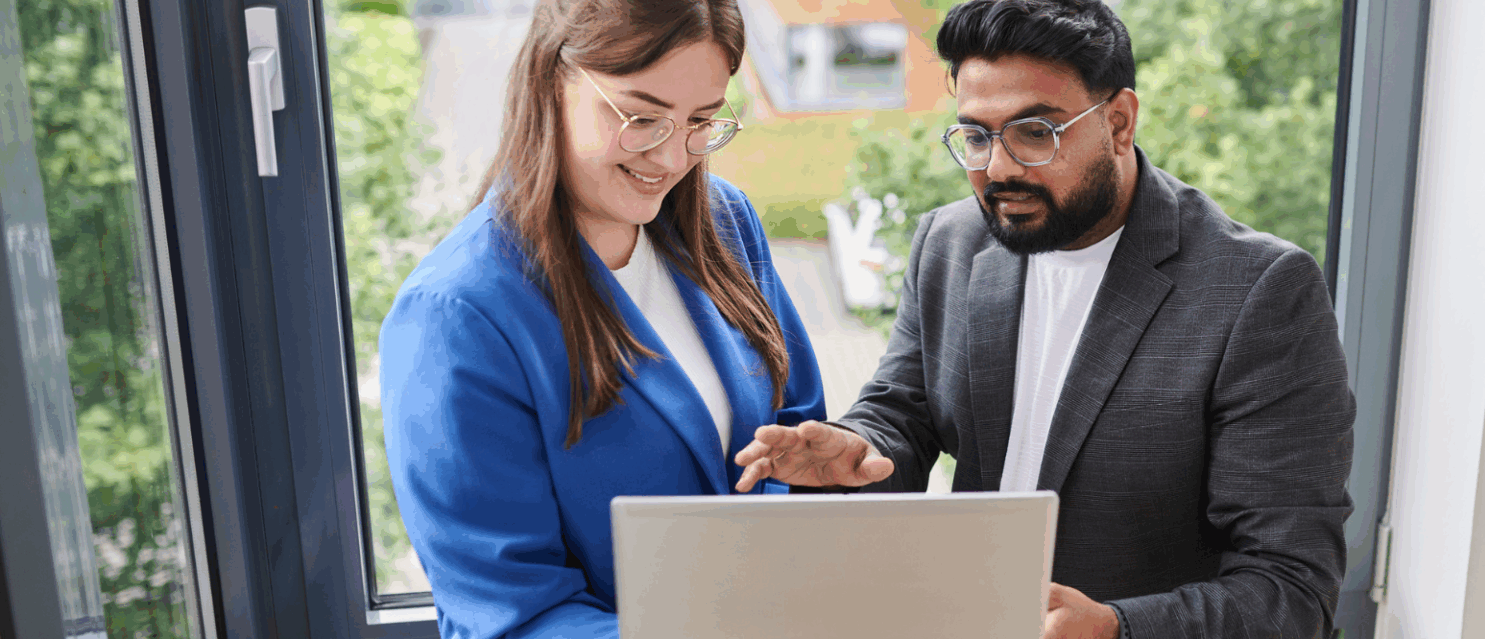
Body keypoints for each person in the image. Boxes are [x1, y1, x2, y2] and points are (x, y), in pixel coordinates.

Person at [733, 0, 1357, 637]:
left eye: (1036, 132)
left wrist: (1116, 629)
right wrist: (856, 449)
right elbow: (904, 413)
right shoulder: (951, 242)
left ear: (1118, 123)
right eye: (976, 136)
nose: (998, 168)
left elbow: (1292, 590)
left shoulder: (1259, 291)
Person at [378, 0, 826, 636]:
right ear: (552, 81)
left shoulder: (725, 221)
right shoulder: (457, 318)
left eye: (700, 121)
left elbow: (795, 429)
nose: (672, 161)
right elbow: (511, 613)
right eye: (641, 118)